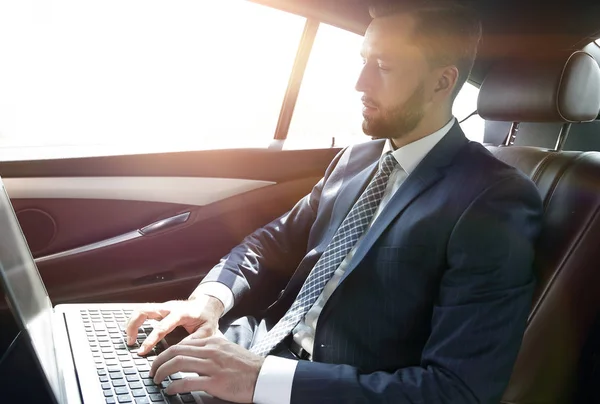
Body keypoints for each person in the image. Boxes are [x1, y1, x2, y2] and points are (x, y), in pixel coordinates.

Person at [125, 2, 544, 403]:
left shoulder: (493, 199)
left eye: (383, 66)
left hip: (321, 388)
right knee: (113, 363)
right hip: (250, 348)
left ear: (442, 81)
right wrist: (209, 302)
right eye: (363, 60)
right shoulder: (355, 159)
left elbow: (455, 391)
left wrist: (260, 378)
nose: (360, 82)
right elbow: (271, 243)